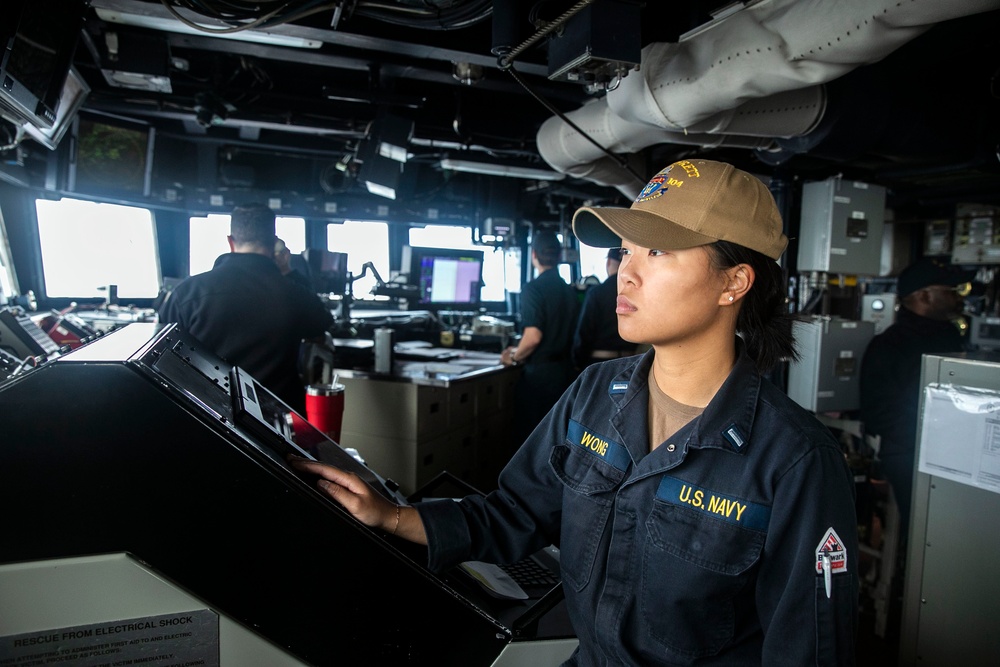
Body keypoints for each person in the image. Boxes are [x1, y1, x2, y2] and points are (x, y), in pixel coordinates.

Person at [291, 160, 859, 665]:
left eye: (656, 252)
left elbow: (808, 646)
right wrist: (391, 516)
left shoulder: (794, 459)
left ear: (733, 282)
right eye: (626, 252)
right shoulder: (594, 393)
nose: (625, 273)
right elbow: (516, 512)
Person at [159, 203, 333, 414]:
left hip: (206, 418)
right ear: (274, 243)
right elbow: (323, 323)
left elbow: (162, 359)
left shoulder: (186, 293)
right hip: (277, 427)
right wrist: (287, 272)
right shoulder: (296, 293)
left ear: (230, 242)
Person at [859, 257, 972, 529]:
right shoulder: (890, 345)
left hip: (957, 449)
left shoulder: (951, 339)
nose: (959, 298)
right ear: (923, 296)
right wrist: (930, 438)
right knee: (932, 529)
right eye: (950, 291)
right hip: (909, 452)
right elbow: (878, 413)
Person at [500, 230, 580, 445]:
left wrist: (514, 356)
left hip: (540, 376)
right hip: (565, 373)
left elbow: (533, 336)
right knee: (556, 439)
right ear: (558, 257)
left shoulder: (532, 289)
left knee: (531, 440)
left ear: (533, 255)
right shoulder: (569, 290)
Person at [572, 246, 638, 368]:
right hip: (633, 362)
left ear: (608, 262)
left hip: (599, 363)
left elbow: (584, 334)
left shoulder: (596, 293)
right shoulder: (638, 291)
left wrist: (577, 363)